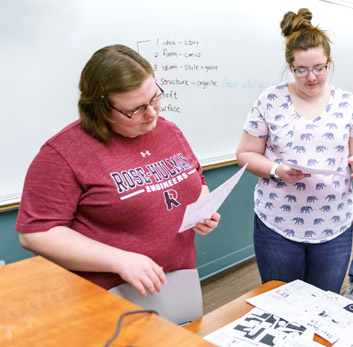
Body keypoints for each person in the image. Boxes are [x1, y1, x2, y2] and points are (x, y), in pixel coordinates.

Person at [15, 44, 221, 297]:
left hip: (177, 281)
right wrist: (119, 260)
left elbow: (196, 180)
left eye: (155, 98)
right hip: (104, 295)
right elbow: (36, 234)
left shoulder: (168, 131)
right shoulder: (62, 154)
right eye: (134, 109)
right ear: (99, 108)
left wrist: (204, 209)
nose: (151, 113)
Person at [236, 8, 353, 293]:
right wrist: (276, 170)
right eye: (302, 70)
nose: (312, 77)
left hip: (334, 224)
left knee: (324, 306)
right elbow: (245, 154)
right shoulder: (270, 100)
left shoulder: (347, 103)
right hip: (277, 225)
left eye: (319, 68)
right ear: (290, 66)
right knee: (279, 303)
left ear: (329, 63)